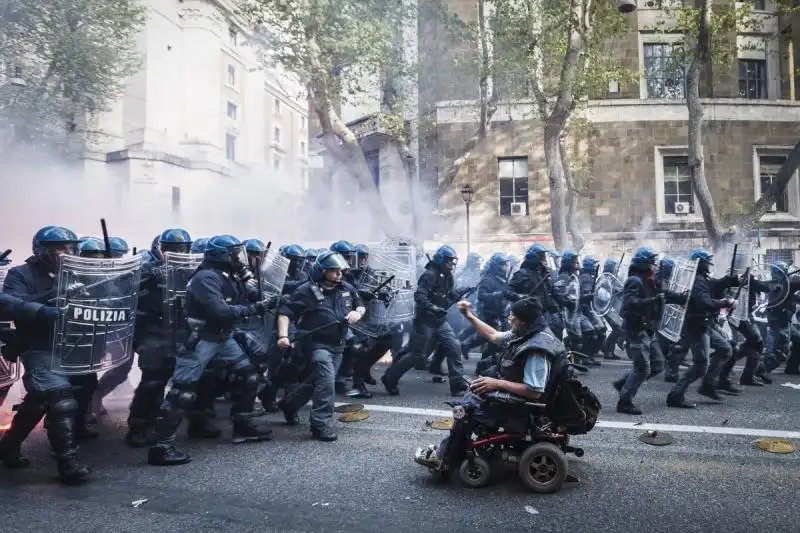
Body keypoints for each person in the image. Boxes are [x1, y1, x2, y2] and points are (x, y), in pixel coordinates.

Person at [414, 296, 565, 469]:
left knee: (465, 410)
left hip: (522, 407)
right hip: (521, 400)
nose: (509, 319)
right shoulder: (529, 332)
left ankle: (444, 457)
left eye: (511, 317)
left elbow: (535, 390)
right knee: (475, 390)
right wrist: (468, 315)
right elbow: (494, 336)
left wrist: (497, 384)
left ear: (522, 321)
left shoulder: (536, 349)